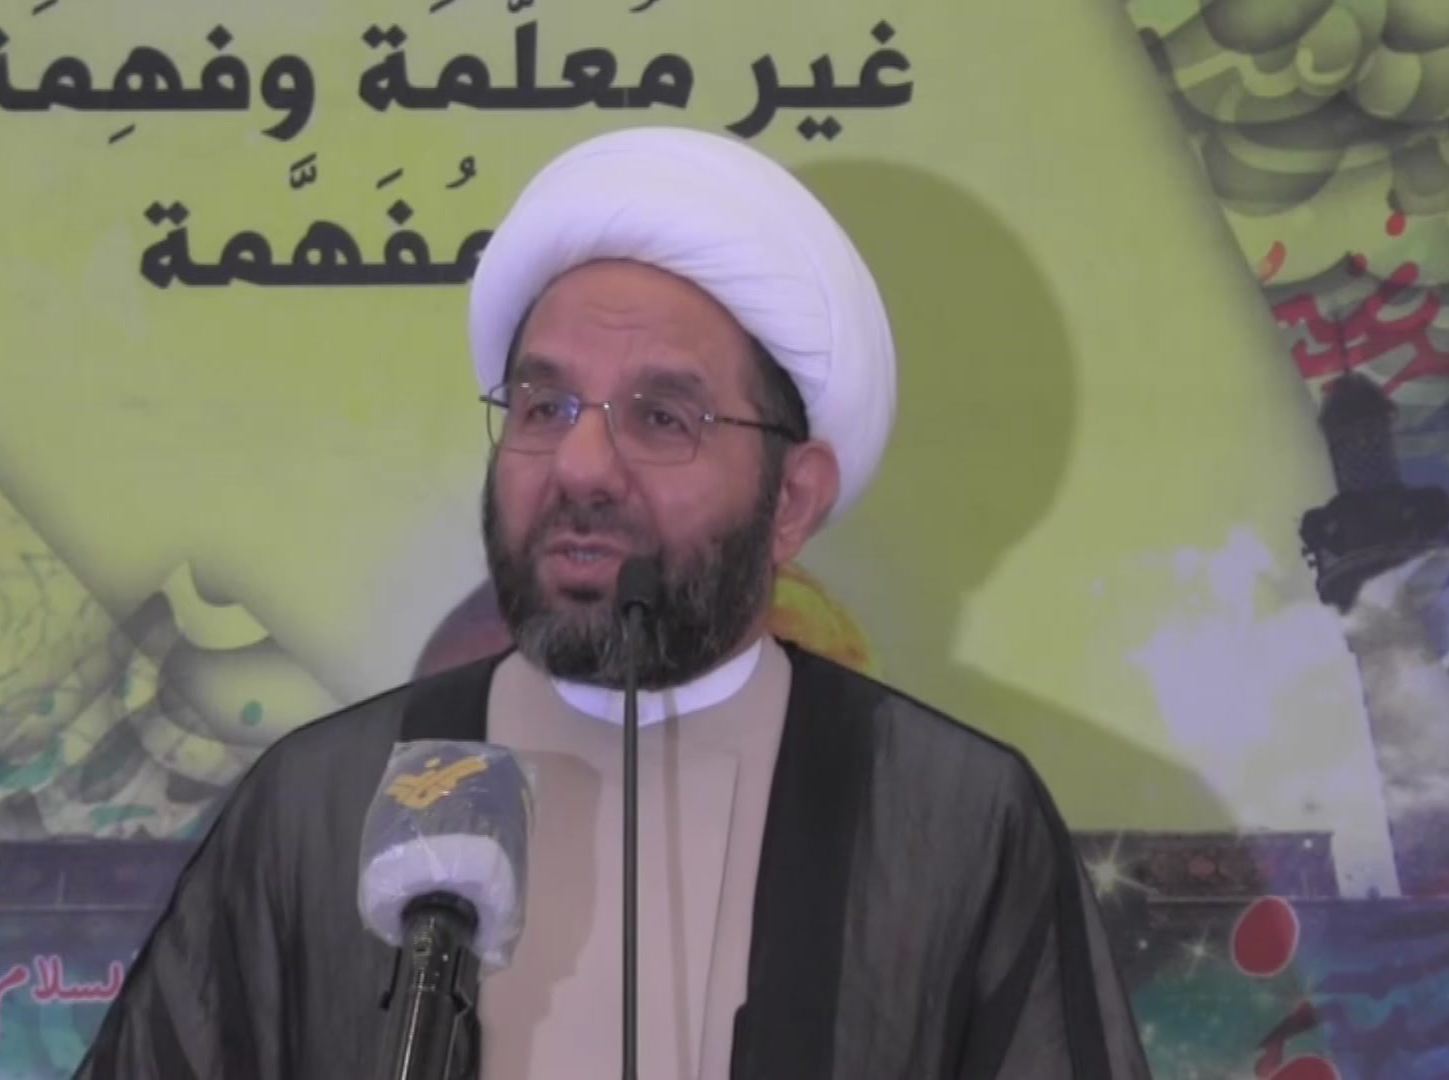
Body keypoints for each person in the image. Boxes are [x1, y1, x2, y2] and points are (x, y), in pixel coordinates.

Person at [74, 126, 1152, 1080]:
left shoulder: (952, 820)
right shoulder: (321, 804)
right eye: (544, 407)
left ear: (792, 501)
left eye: (663, 418)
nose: (581, 465)